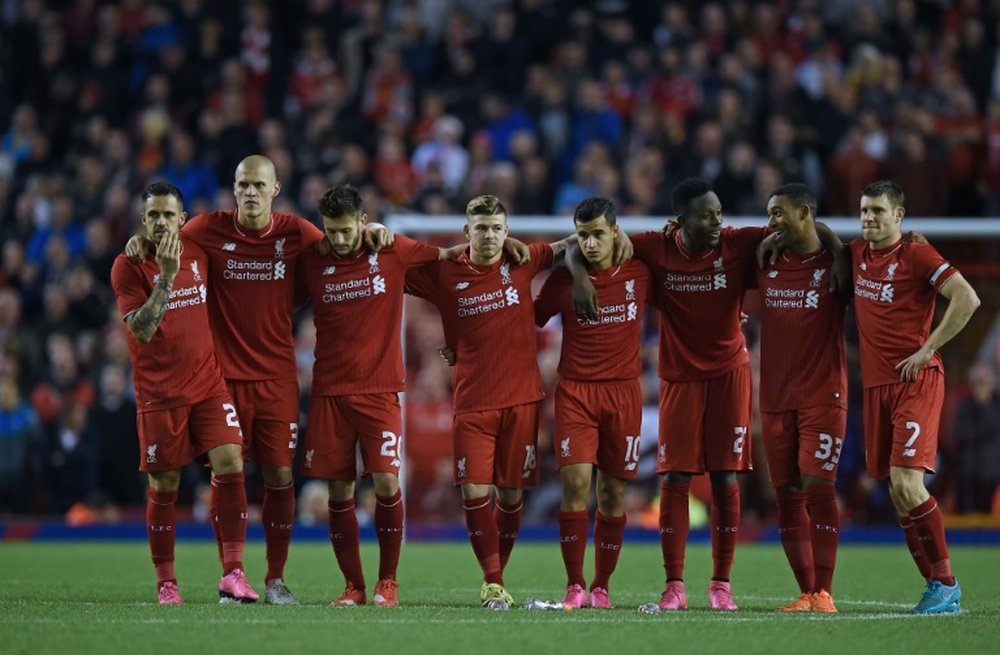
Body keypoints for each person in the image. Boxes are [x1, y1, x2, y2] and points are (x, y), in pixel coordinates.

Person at [128, 156, 388, 603]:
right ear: (234, 189)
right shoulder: (206, 229)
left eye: (258, 185)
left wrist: (374, 233)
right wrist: (140, 241)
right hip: (222, 379)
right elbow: (164, 238)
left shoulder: (296, 233)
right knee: (229, 472)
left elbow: (338, 241)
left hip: (278, 377)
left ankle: (274, 578)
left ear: (275, 189)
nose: (249, 192)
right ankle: (233, 572)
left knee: (280, 476)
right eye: (242, 185)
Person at [405, 194, 572, 609]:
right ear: (467, 232)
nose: (490, 235)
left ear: (507, 230)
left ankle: (499, 572)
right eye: (481, 228)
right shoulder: (445, 272)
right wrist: (444, 250)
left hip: (521, 400)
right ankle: (493, 581)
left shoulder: (523, 260)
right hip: (472, 401)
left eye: (498, 227)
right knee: (474, 493)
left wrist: (613, 237)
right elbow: (395, 262)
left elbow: (569, 247)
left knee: (511, 496)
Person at [297, 184, 447, 607]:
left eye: (346, 230)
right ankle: (353, 587)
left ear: (363, 221)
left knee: (385, 480)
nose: (339, 239)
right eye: (331, 231)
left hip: (380, 391)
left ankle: (388, 582)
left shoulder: (392, 250)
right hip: (330, 392)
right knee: (339, 491)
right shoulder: (313, 260)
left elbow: (446, 259)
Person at [110, 182, 256, 604]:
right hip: (160, 394)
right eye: (152, 215)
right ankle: (167, 583)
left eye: (167, 215)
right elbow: (141, 328)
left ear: (182, 218)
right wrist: (168, 276)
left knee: (231, 459)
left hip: (208, 383)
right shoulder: (128, 266)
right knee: (165, 484)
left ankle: (233, 572)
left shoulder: (199, 248)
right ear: (143, 221)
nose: (160, 222)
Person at [851, 180, 980, 614]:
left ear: (899, 216)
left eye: (879, 211)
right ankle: (936, 586)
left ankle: (946, 584)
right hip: (877, 386)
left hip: (915, 379)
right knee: (896, 491)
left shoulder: (917, 254)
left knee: (908, 483)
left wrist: (928, 348)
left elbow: (968, 298)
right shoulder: (856, 254)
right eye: (865, 210)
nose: (870, 217)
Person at [534, 197, 651, 609]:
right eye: (582, 235)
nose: (590, 243)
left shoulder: (640, 270)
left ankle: (602, 586)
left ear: (615, 232)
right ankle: (575, 584)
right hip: (576, 393)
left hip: (624, 394)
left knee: (613, 494)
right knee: (576, 485)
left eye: (598, 233)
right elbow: (528, 317)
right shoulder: (563, 282)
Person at [757, 184, 846, 613]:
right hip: (774, 398)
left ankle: (824, 592)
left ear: (805, 213)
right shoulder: (764, 259)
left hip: (822, 395)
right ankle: (807, 592)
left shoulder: (837, 261)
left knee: (819, 487)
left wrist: (836, 245)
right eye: (769, 214)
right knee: (787, 494)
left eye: (778, 213)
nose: (771, 222)